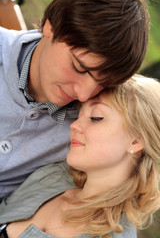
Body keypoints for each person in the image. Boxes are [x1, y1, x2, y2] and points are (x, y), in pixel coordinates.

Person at [0, 0, 149, 199]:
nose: (84, 95)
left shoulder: (88, 130)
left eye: (102, 84)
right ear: (50, 26)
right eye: (79, 68)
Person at [0, 74, 160, 238]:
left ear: (136, 140)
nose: (75, 125)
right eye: (79, 115)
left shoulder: (114, 234)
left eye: (95, 118)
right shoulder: (53, 175)